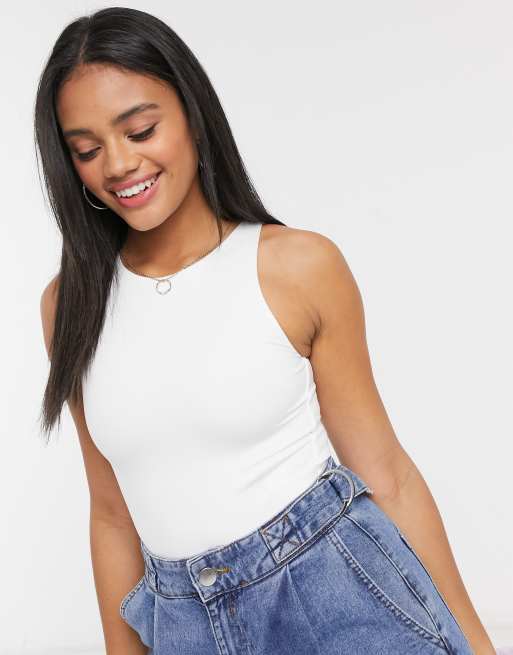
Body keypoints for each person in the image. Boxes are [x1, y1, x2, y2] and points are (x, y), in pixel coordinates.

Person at [37, 7, 494, 655]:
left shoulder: (297, 265)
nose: (118, 163)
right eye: (86, 149)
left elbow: (386, 472)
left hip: (337, 598)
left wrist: (473, 640)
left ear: (192, 115)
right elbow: (111, 514)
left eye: (140, 130)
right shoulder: (70, 306)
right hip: (183, 623)